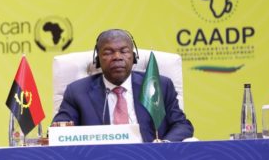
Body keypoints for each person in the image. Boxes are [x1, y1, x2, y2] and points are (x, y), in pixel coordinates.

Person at [51, 29, 194, 142]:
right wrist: (61, 130)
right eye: (108, 52)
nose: (117, 57)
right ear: (98, 60)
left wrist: (164, 145)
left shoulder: (159, 85)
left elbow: (182, 125)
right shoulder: (77, 92)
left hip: (151, 159)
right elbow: (59, 131)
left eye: (124, 51)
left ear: (134, 57)